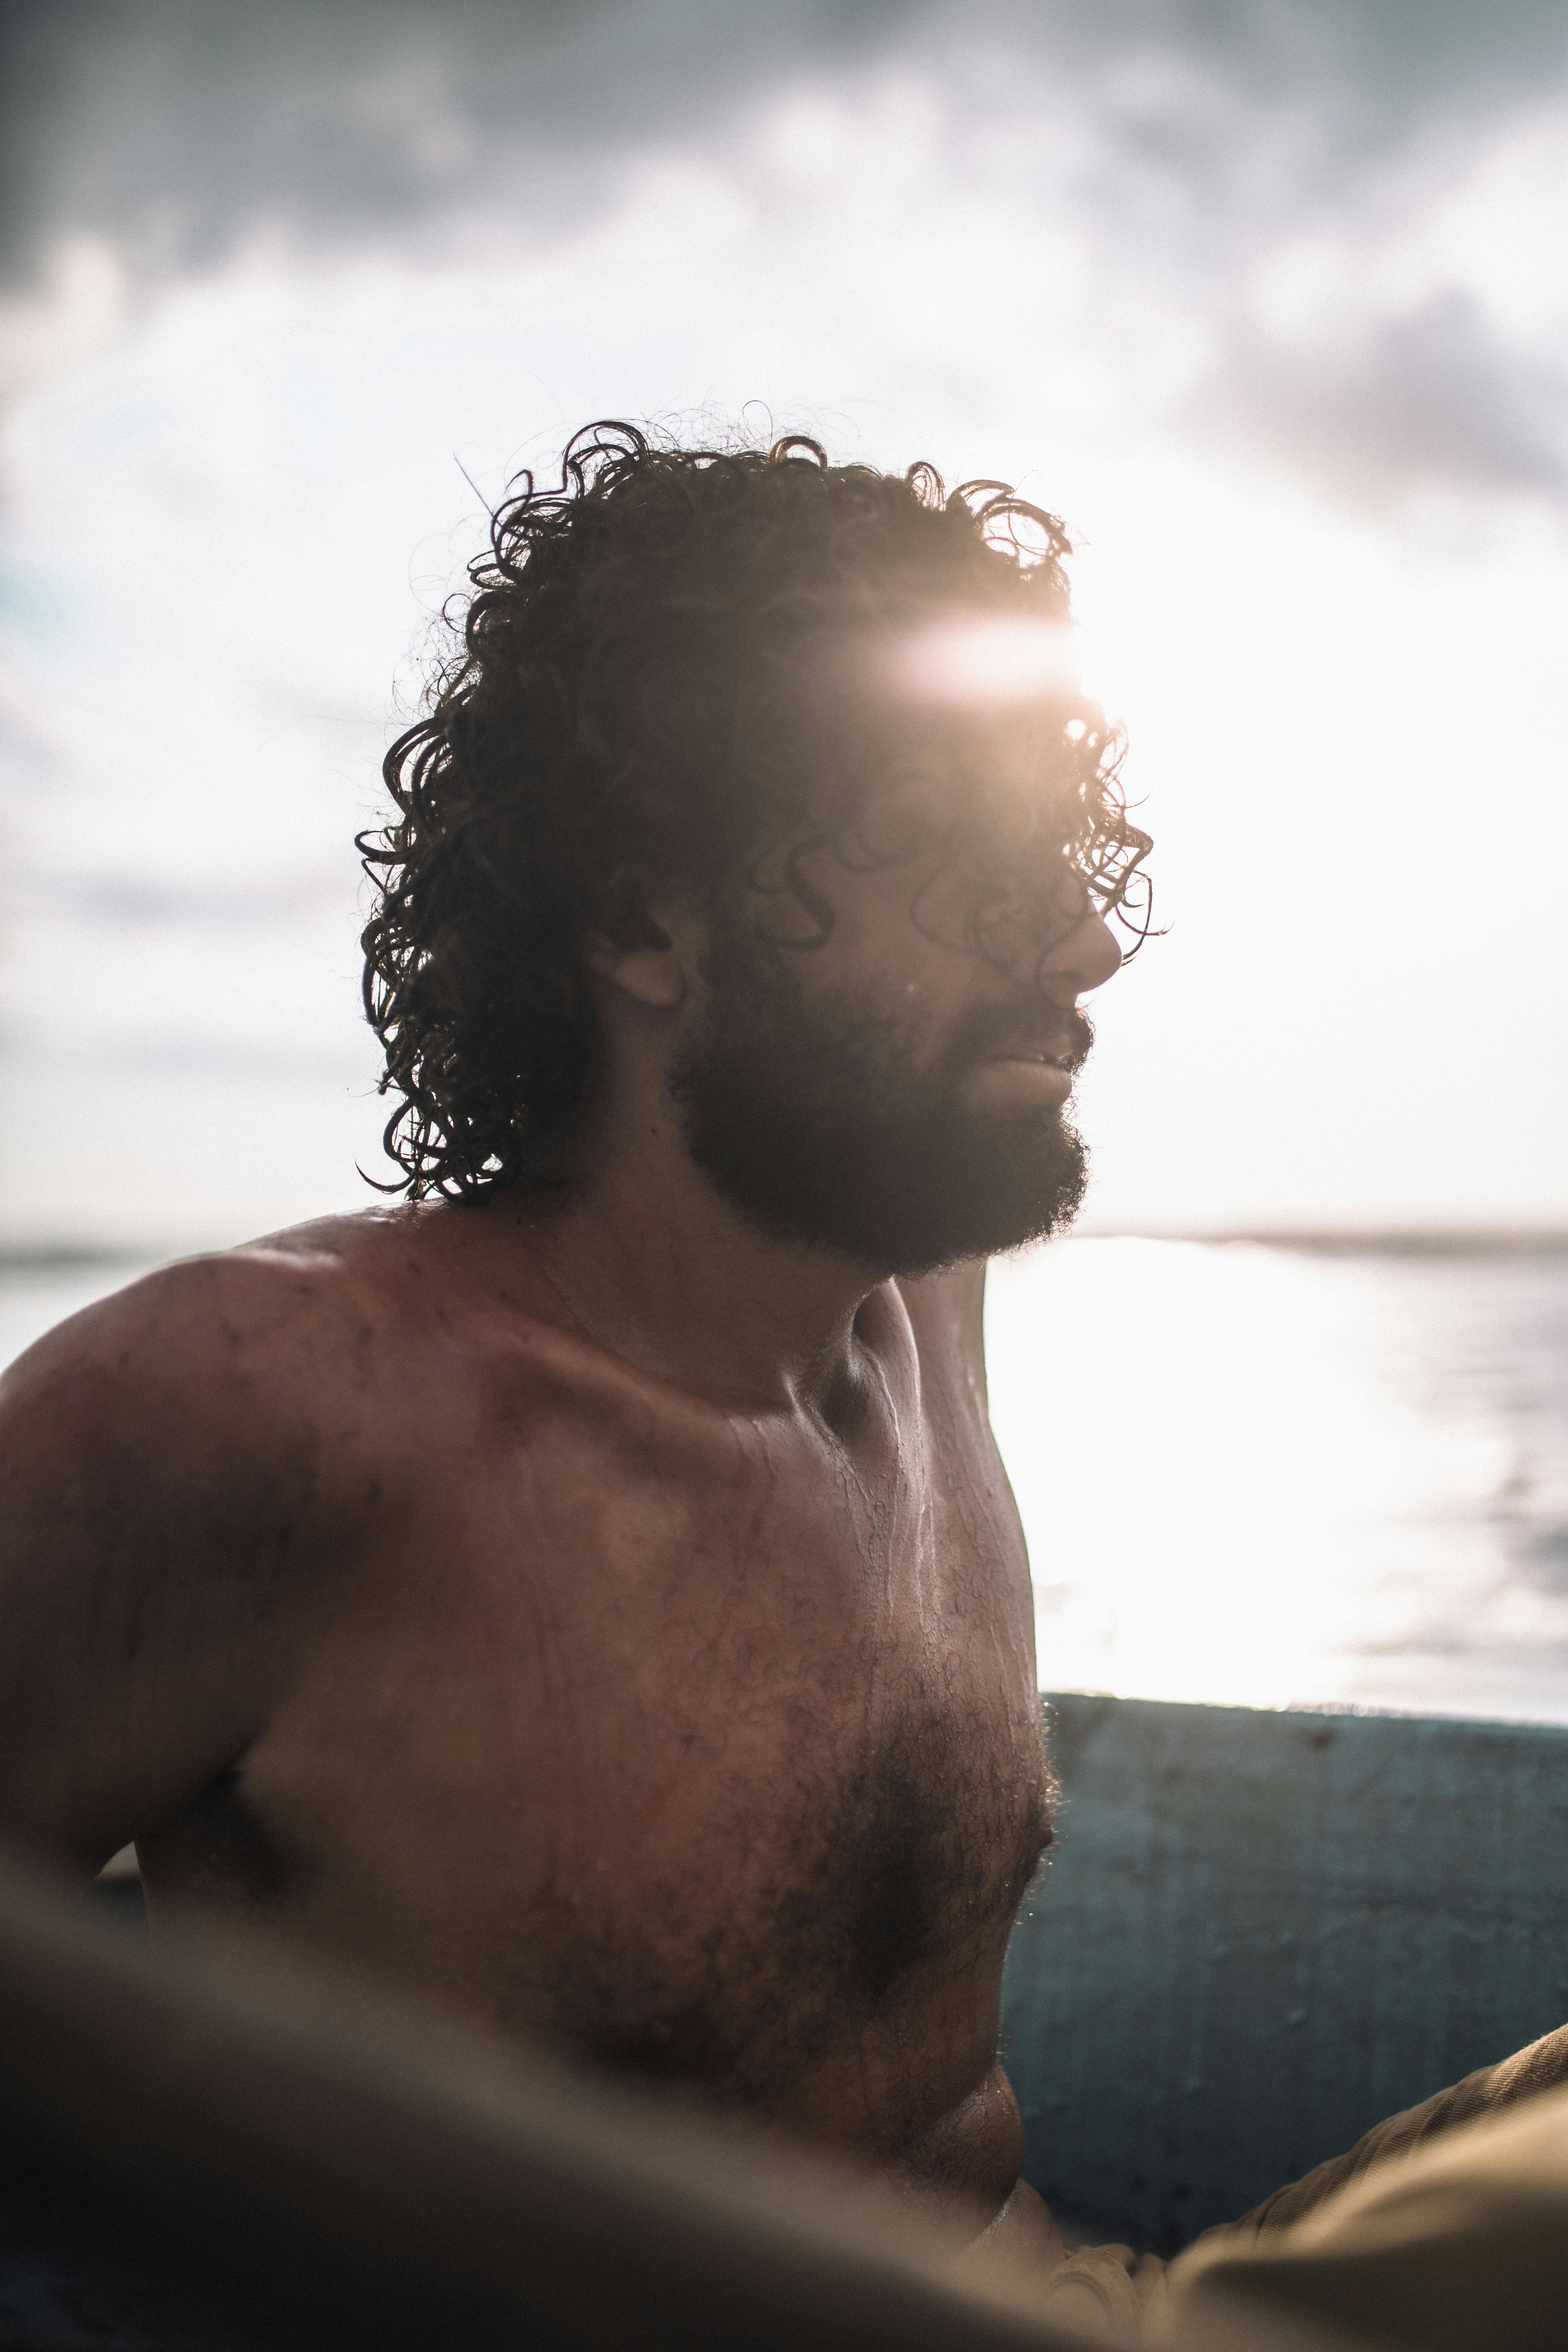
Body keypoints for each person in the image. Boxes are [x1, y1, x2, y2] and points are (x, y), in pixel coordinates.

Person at [0, 423, 1147, 2257]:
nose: (1087, 946)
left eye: (1061, 853)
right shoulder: (262, 1412)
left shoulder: (918, 1309)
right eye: (961, 856)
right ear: (638, 918)